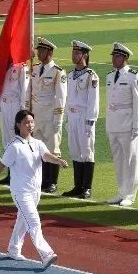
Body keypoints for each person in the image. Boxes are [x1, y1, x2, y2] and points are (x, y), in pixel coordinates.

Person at [0, 109, 64, 266]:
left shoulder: (37, 143)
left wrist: (59, 161)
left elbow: (46, 155)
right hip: (21, 192)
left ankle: (13, 249)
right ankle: (46, 253)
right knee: (33, 222)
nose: (30, 125)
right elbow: (1, 164)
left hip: (35, 190)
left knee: (23, 219)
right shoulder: (14, 146)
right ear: (18, 125)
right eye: (26, 122)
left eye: (31, 122)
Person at [106, 43, 138, 207]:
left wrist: (137, 126)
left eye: (117, 56)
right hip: (113, 124)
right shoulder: (109, 76)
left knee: (130, 160)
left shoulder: (133, 76)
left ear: (125, 58)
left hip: (127, 124)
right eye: (113, 56)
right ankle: (121, 191)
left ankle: (130, 194)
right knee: (118, 160)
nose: (114, 59)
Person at [28, 38, 67, 193]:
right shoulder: (35, 68)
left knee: (52, 149)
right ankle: (42, 180)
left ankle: (52, 182)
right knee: (38, 149)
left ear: (49, 53)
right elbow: (30, 91)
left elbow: (60, 97)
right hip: (36, 115)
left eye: (42, 51)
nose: (39, 53)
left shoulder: (58, 71)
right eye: (38, 50)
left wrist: (58, 119)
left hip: (50, 116)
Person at [62, 41, 100, 197]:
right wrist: (66, 118)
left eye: (77, 53)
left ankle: (87, 187)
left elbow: (93, 100)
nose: (74, 56)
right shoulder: (70, 75)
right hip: (72, 116)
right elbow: (67, 98)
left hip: (84, 117)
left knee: (87, 151)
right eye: (73, 53)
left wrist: (90, 121)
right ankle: (77, 186)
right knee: (75, 150)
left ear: (85, 55)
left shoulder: (91, 75)